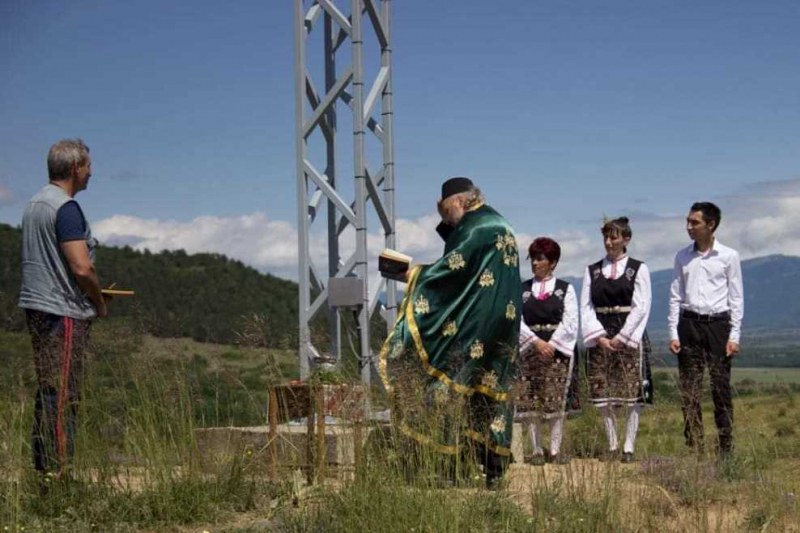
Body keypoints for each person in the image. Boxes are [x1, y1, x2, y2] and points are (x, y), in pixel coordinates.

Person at [378, 177, 521, 489]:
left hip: (474, 325)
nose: (445, 220)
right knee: (487, 392)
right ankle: (490, 471)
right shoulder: (497, 222)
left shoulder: (477, 227)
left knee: (447, 384)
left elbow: (452, 272)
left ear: (457, 201)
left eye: (444, 213)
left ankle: (447, 466)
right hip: (501, 324)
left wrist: (412, 274)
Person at [18, 139, 108, 479]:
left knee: (49, 388)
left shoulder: (33, 204)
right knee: (64, 392)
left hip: (36, 305)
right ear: (74, 168)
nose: (91, 172)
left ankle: (43, 468)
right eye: (87, 166)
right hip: (63, 311)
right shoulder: (65, 208)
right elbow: (82, 267)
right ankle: (60, 472)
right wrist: (98, 302)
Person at [668, 202, 743, 458]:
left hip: (718, 326)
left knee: (720, 389)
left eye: (694, 222)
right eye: (687, 221)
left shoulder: (729, 256)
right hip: (688, 324)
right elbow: (675, 295)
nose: (688, 227)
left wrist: (734, 336)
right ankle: (695, 449)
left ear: (710, 225)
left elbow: (736, 298)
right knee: (689, 391)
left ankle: (725, 449)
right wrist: (673, 332)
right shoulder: (682, 256)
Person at [580, 217, 652, 463]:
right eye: (606, 237)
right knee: (603, 395)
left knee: (632, 395)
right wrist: (599, 336)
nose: (609, 242)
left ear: (626, 239)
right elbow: (586, 306)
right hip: (600, 332)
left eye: (614, 237)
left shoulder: (638, 268)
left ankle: (629, 445)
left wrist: (622, 337)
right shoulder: (592, 270)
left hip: (628, 332)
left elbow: (642, 306)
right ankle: (612, 443)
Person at [516, 237, 578, 465]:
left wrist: (551, 344)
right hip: (529, 348)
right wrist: (535, 342)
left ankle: (555, 449)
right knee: (530, 400)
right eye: (533, 258)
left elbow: (570, 320)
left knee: (554, 400)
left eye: (540, 259)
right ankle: (536, 450)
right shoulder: (521, 290)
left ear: (552, 262)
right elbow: (516, 319)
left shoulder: (565, 289)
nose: (535, 263)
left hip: (556, 350)